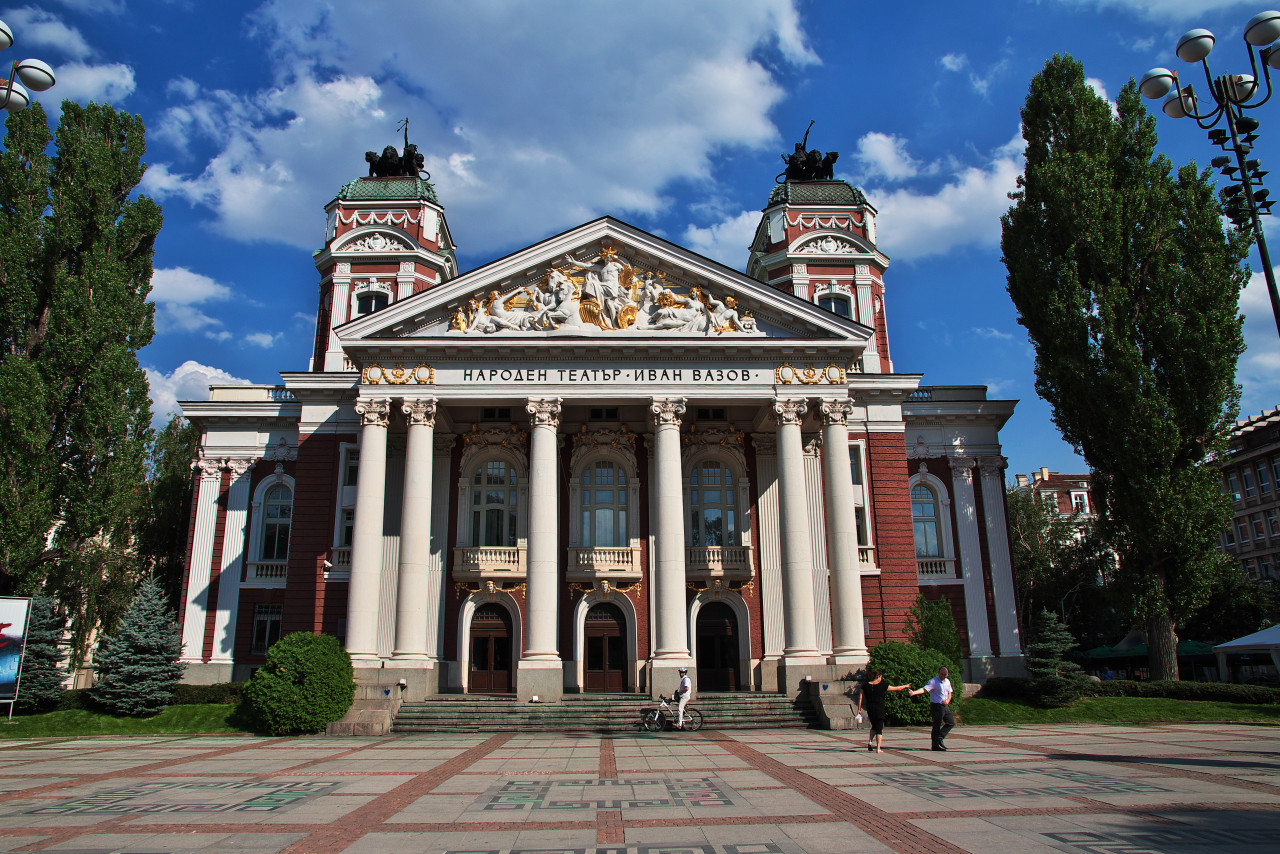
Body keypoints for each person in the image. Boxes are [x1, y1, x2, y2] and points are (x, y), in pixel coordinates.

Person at [854, 670, 911, 753]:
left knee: (874, 726)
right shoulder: (882, 685)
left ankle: (870, 741)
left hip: (870, 709)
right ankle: (878, 748)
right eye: (880, 677)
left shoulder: (865, 686)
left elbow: (860, 698)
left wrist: (859, 709)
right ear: (878, 677)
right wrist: (906, 686)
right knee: (879, 728)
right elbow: (896, 688)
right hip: (879, 709)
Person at [909, 666, 955, 751]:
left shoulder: (947, 682)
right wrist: (914, 692)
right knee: (937, 725)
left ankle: (940, 737)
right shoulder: (933, 681)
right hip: (936, 705)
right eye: (941, 674)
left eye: (945, 674)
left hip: (944, 706)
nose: (943, 676)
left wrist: (948, 701)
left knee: (951, 722)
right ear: (938, 673)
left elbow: (950, 693)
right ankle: (935, 745)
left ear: (947, 674)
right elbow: (924, 689)